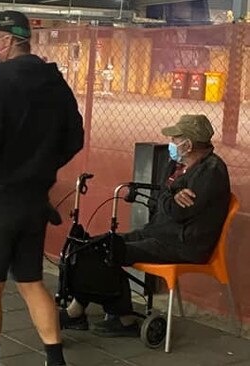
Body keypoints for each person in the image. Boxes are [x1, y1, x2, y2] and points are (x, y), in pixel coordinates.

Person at [0, 11, 84, 366]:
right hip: (33, 199)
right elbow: (75, 137)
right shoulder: (55, 82)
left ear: (8, 40)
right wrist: (40, 166)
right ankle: (55, 359)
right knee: (31, 280)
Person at [60, 114, 231, 337]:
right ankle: (80, 309)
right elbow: (160, 195)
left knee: (108, 251)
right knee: (93, 245)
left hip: (183, 244)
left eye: (175, 139)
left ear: (187, 145)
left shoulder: (211, 171)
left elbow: (178, 212)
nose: (171, 143)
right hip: (158, 233)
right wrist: (170, 194)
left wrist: (167, 195)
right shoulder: (177, 164)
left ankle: (123, 319)